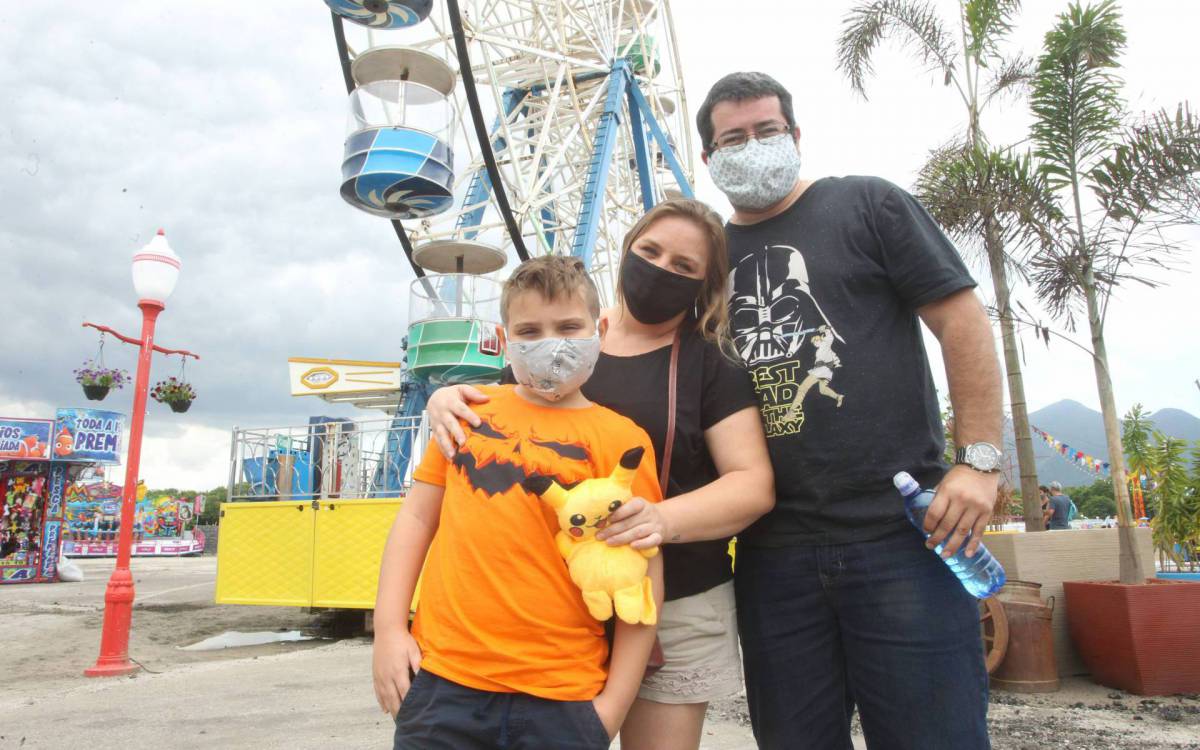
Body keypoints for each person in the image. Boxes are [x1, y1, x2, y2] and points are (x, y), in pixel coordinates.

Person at [696, 72, 1004, 749]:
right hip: (772, 554)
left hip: (901, 536)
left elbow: (961, 320)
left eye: (767, 130)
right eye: (733, 139)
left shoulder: (868, 205)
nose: (753, 146)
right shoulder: (706, 258)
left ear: (796, 135)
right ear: (709, 158)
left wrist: (979, 461)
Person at [426, 199, 775, 749]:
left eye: (684, 265)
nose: (660, 269)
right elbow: (502, 411)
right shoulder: (565, 337)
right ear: (627, 248)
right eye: (650, 251)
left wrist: (656, 520)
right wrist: (444, 397)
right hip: (555, 609)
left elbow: (752, 484)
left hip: (671, 605)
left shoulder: (712, 363)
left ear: (705, 283)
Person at [372, 255, 665, 749]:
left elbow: (640, 572)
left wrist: (613, 706)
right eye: (529, 331)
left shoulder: (623, 439)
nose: (551, 343)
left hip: (564, 695)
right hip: (444, 681)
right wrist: (387, 631)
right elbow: (418, 518)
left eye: (569, 327)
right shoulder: (466, 413)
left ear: (600, 330)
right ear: (504, 339)